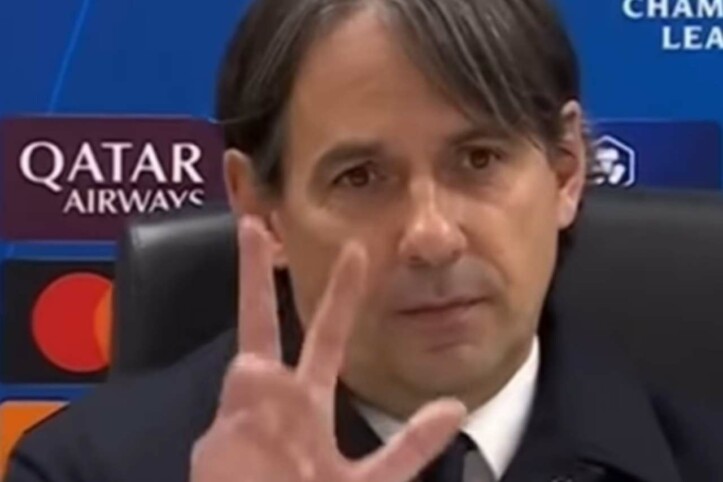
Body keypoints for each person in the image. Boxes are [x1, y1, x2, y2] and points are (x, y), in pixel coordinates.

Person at [6, 0, 723, 480]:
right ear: (261, 208)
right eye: (360, 177)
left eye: (478, 159)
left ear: (565, 170)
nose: (431, 237)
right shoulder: (77, 470)